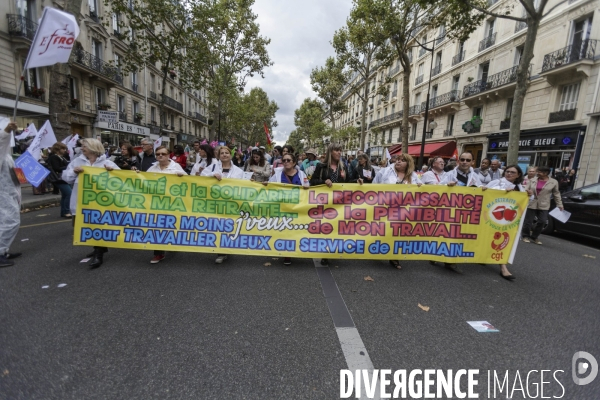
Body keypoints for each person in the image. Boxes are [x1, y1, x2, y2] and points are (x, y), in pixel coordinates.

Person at [62, 139, 120, 269]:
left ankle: (99, 253)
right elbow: (66, 178)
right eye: (82, 146)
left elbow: (121, 180)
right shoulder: (77, 161)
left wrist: (112, 172)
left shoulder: (107, 163)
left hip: (101, 203)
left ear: (93, 147)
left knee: (98, 226)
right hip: (81, 201)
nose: (81, 148)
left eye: (84, 146)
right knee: (84, 226)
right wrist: (73, 172)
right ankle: (99, 248)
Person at [372, 154, 422, 269]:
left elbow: (422, 190)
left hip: (404, 211)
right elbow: (373, 187)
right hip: (385, 208)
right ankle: (376, 249)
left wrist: (420, 186)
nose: (398, 162)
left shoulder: (413, 176)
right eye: (398, 160)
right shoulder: (385, 172)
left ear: (408, 163)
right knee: (382, 230)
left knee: (397, 233)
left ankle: (394, 257)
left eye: (402, 160)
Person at [143, 145, 187, 264]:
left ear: (169, 155)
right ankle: (158, 253)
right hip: (156, 203)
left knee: (170, 225)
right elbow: (142, 181)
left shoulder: (176, 168)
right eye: (158, 154)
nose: (160, 156)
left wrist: (181, 177)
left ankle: (171, 243)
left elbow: (188, 183)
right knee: (157, 227)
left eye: (163, 154)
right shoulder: (152, 168)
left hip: (172, 203)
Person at [310, 143, 351, 266]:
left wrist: (358, 181)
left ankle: (335, 250)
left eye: (340, 150)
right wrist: (323, 181)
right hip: (325, 204)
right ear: (330, 152)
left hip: (340, 204)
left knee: (338, 227)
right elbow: (313, 182)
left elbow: (349, 183)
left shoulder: (344, 167)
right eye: (336, 150)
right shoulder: (321, 166)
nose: (339, 152)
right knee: (327, 228)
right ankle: (326, 254)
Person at [483, 165, 525, 281]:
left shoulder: (519, 187)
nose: (509, 174)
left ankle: (503, 267)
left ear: (518, 175)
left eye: (512, 172)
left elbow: (524, 201)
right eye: (507, 171)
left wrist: (529, 195)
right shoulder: (496, 182)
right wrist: (502, 191)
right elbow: (485, 192)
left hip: (509, 221)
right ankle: (484, 257)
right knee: (490, 238)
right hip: (492, 216)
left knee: (505, 241)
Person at [202, 146, 244, 264]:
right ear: (218, 156)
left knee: (229, 225)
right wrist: (211, 176)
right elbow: (200, 178)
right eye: (222, 153)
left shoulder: (239, 171)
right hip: (215, 202)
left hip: (231, 202)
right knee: (218, 226)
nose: (224, 155)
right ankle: (221, 252)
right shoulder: (213, 167)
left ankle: (226, 249)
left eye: (226, 153)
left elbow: (242, 186)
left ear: (230, 155)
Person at [267, 153, 309, 265]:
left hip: (298, 208)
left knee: (296, 230)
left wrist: (306, 187)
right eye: (284, 160)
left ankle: (297, 249)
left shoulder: (301, 174)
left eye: (288, 160)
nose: (286, 162)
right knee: (286, 231)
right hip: (283, 208)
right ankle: (287, 254)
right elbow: (268, 187)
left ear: (294, 162)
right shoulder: (277, 175)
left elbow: (307, 187)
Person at [522, 165, 563, 245]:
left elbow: (556, 193)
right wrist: (528, 191)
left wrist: (559, 204)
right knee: (528, 221)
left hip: (544, 203)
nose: (538, 173)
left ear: (546, 173)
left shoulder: (553, 182)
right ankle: (525, 236)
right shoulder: (532, 180)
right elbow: (526, 189)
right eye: (538, 171)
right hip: (532, 202)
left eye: (540, 172)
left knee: (542, 221)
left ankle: (534, 237)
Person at [0, 121, 22, 268]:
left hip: (10, 191)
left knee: (5, 221)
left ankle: (4, 250)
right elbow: (1, 142)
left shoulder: (6, 156)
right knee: (11, 221)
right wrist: (7, 131)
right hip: (3, 194)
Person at [47, 143, 73, 218]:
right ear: (58, 149)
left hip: (63, 178)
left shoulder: (62, 157)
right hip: (58, 179)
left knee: (65, 195)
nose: (65, 150)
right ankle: (66, 211)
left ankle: (64, 211)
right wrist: (67, 167)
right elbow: (56, 168)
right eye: (63, 149)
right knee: (69, 193)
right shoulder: (53, 157)